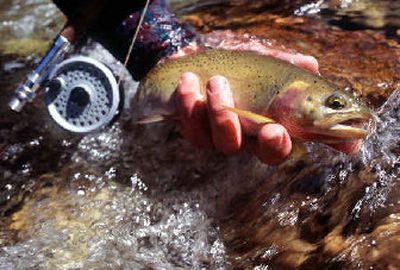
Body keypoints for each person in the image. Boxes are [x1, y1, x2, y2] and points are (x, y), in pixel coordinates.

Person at [52, 0, 362, 165]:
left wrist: (163, 45)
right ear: (293, 94)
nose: (339, 110)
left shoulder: (293, 93)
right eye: (333, 103)